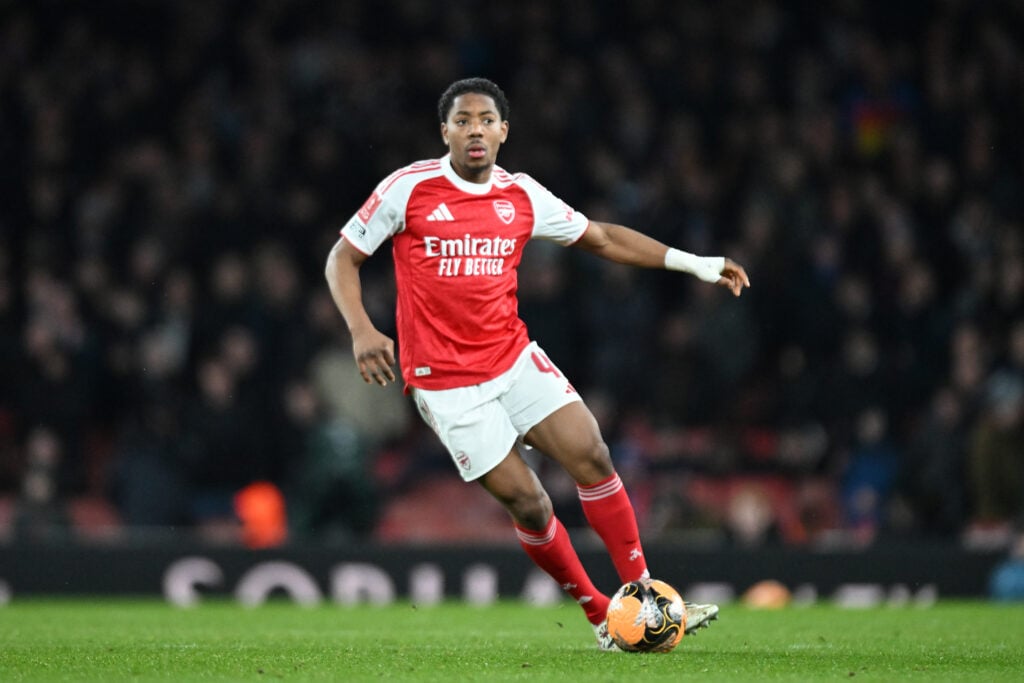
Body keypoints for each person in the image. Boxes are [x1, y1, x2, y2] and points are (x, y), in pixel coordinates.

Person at [325, 77, 750, 650]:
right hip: (447, 383)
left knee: (593, 453)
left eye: (486, 119)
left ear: (504, 131)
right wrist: (361, 330)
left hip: (512, 356)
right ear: (444, 131)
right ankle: (603, 616)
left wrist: (694, 263)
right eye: (463, 120)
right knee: (530, 501)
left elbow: (600, 237)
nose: (475, 129)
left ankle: (644, 596)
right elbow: (342, 258)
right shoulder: (409, 190)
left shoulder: (521, 195)